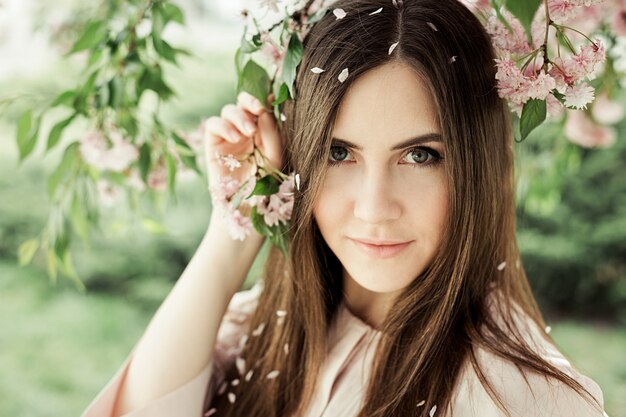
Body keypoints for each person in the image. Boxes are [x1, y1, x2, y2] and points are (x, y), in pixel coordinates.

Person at [80, 0, 608, 416]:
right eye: (339, 153)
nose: (374, 209)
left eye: (420, 155)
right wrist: (235, 227)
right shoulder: (255, 331)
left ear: (479, 164)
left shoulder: (526, 400)